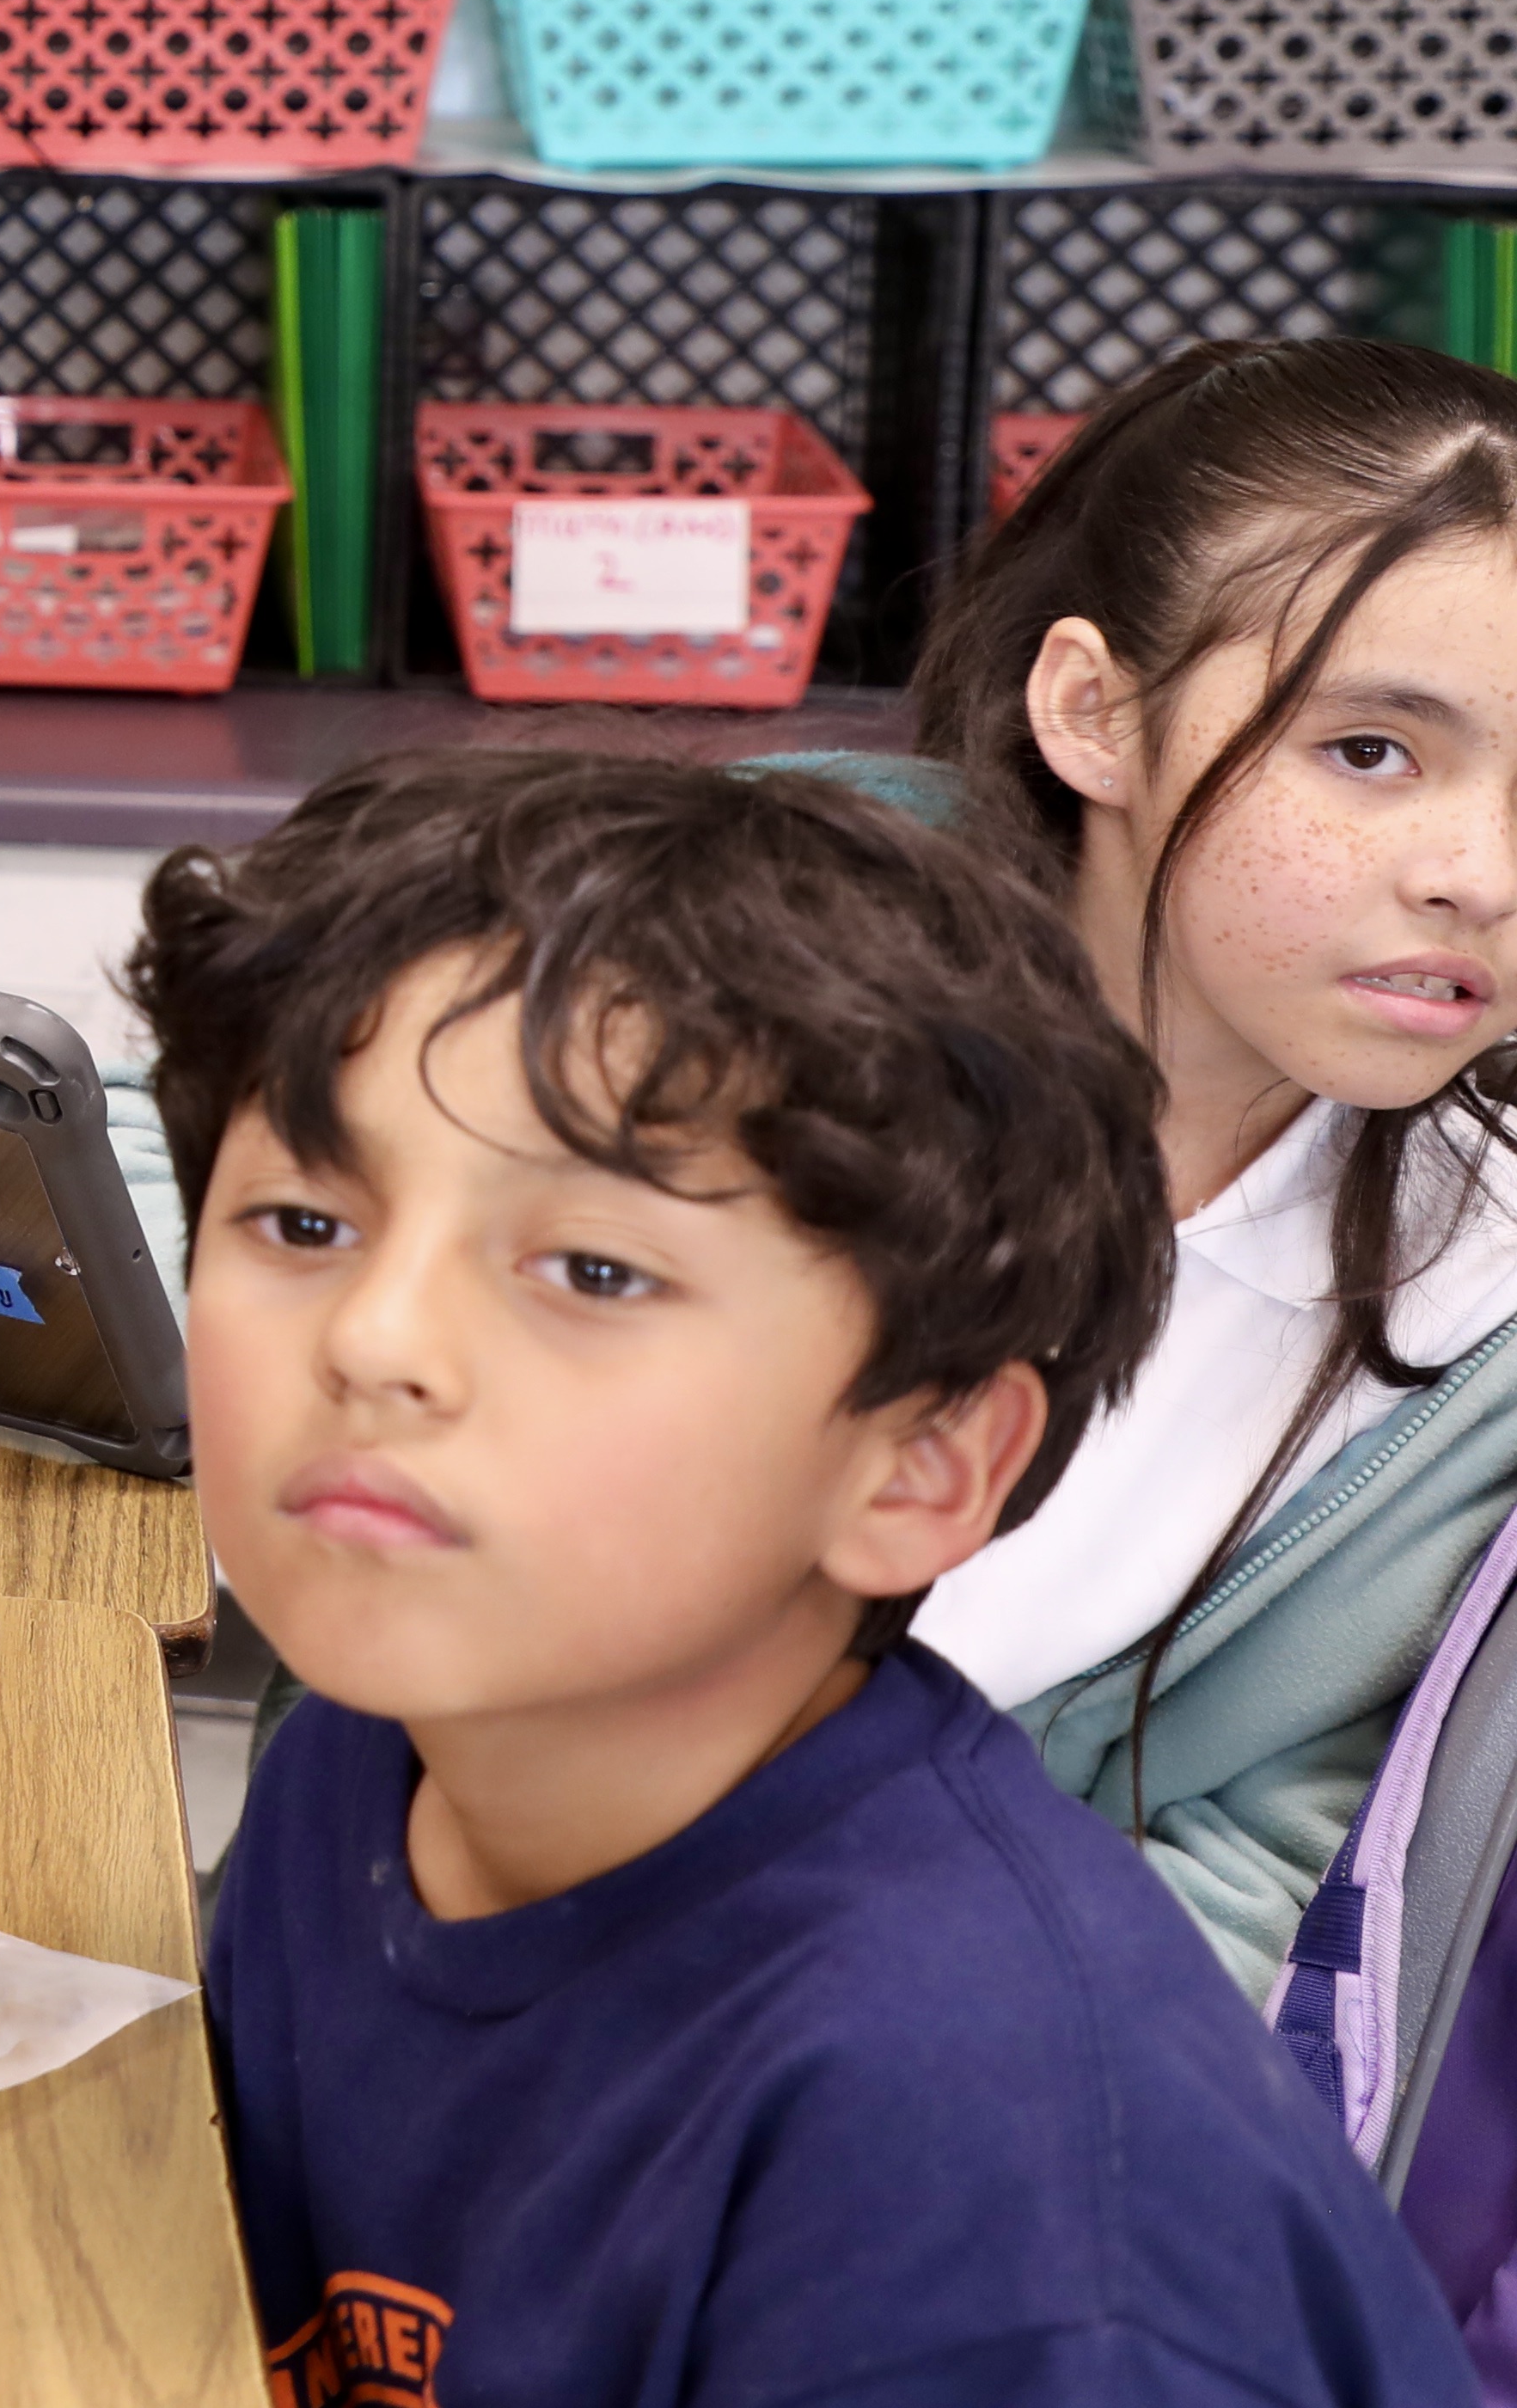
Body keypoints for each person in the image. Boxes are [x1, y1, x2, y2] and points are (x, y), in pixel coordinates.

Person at [146, 740, 1463, 2404]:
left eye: (594, 1269)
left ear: (920, 1468)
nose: (377, 1342)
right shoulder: (387, 1743)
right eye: (305, 1228)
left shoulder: (990, 2199)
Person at [902, 336, 1517, 1994]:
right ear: (1096, 711)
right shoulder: (727, 950)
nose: (1481, 876)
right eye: (1373, 751)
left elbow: (1280, 1890)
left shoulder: (1486, 1308)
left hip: (919, 2132)